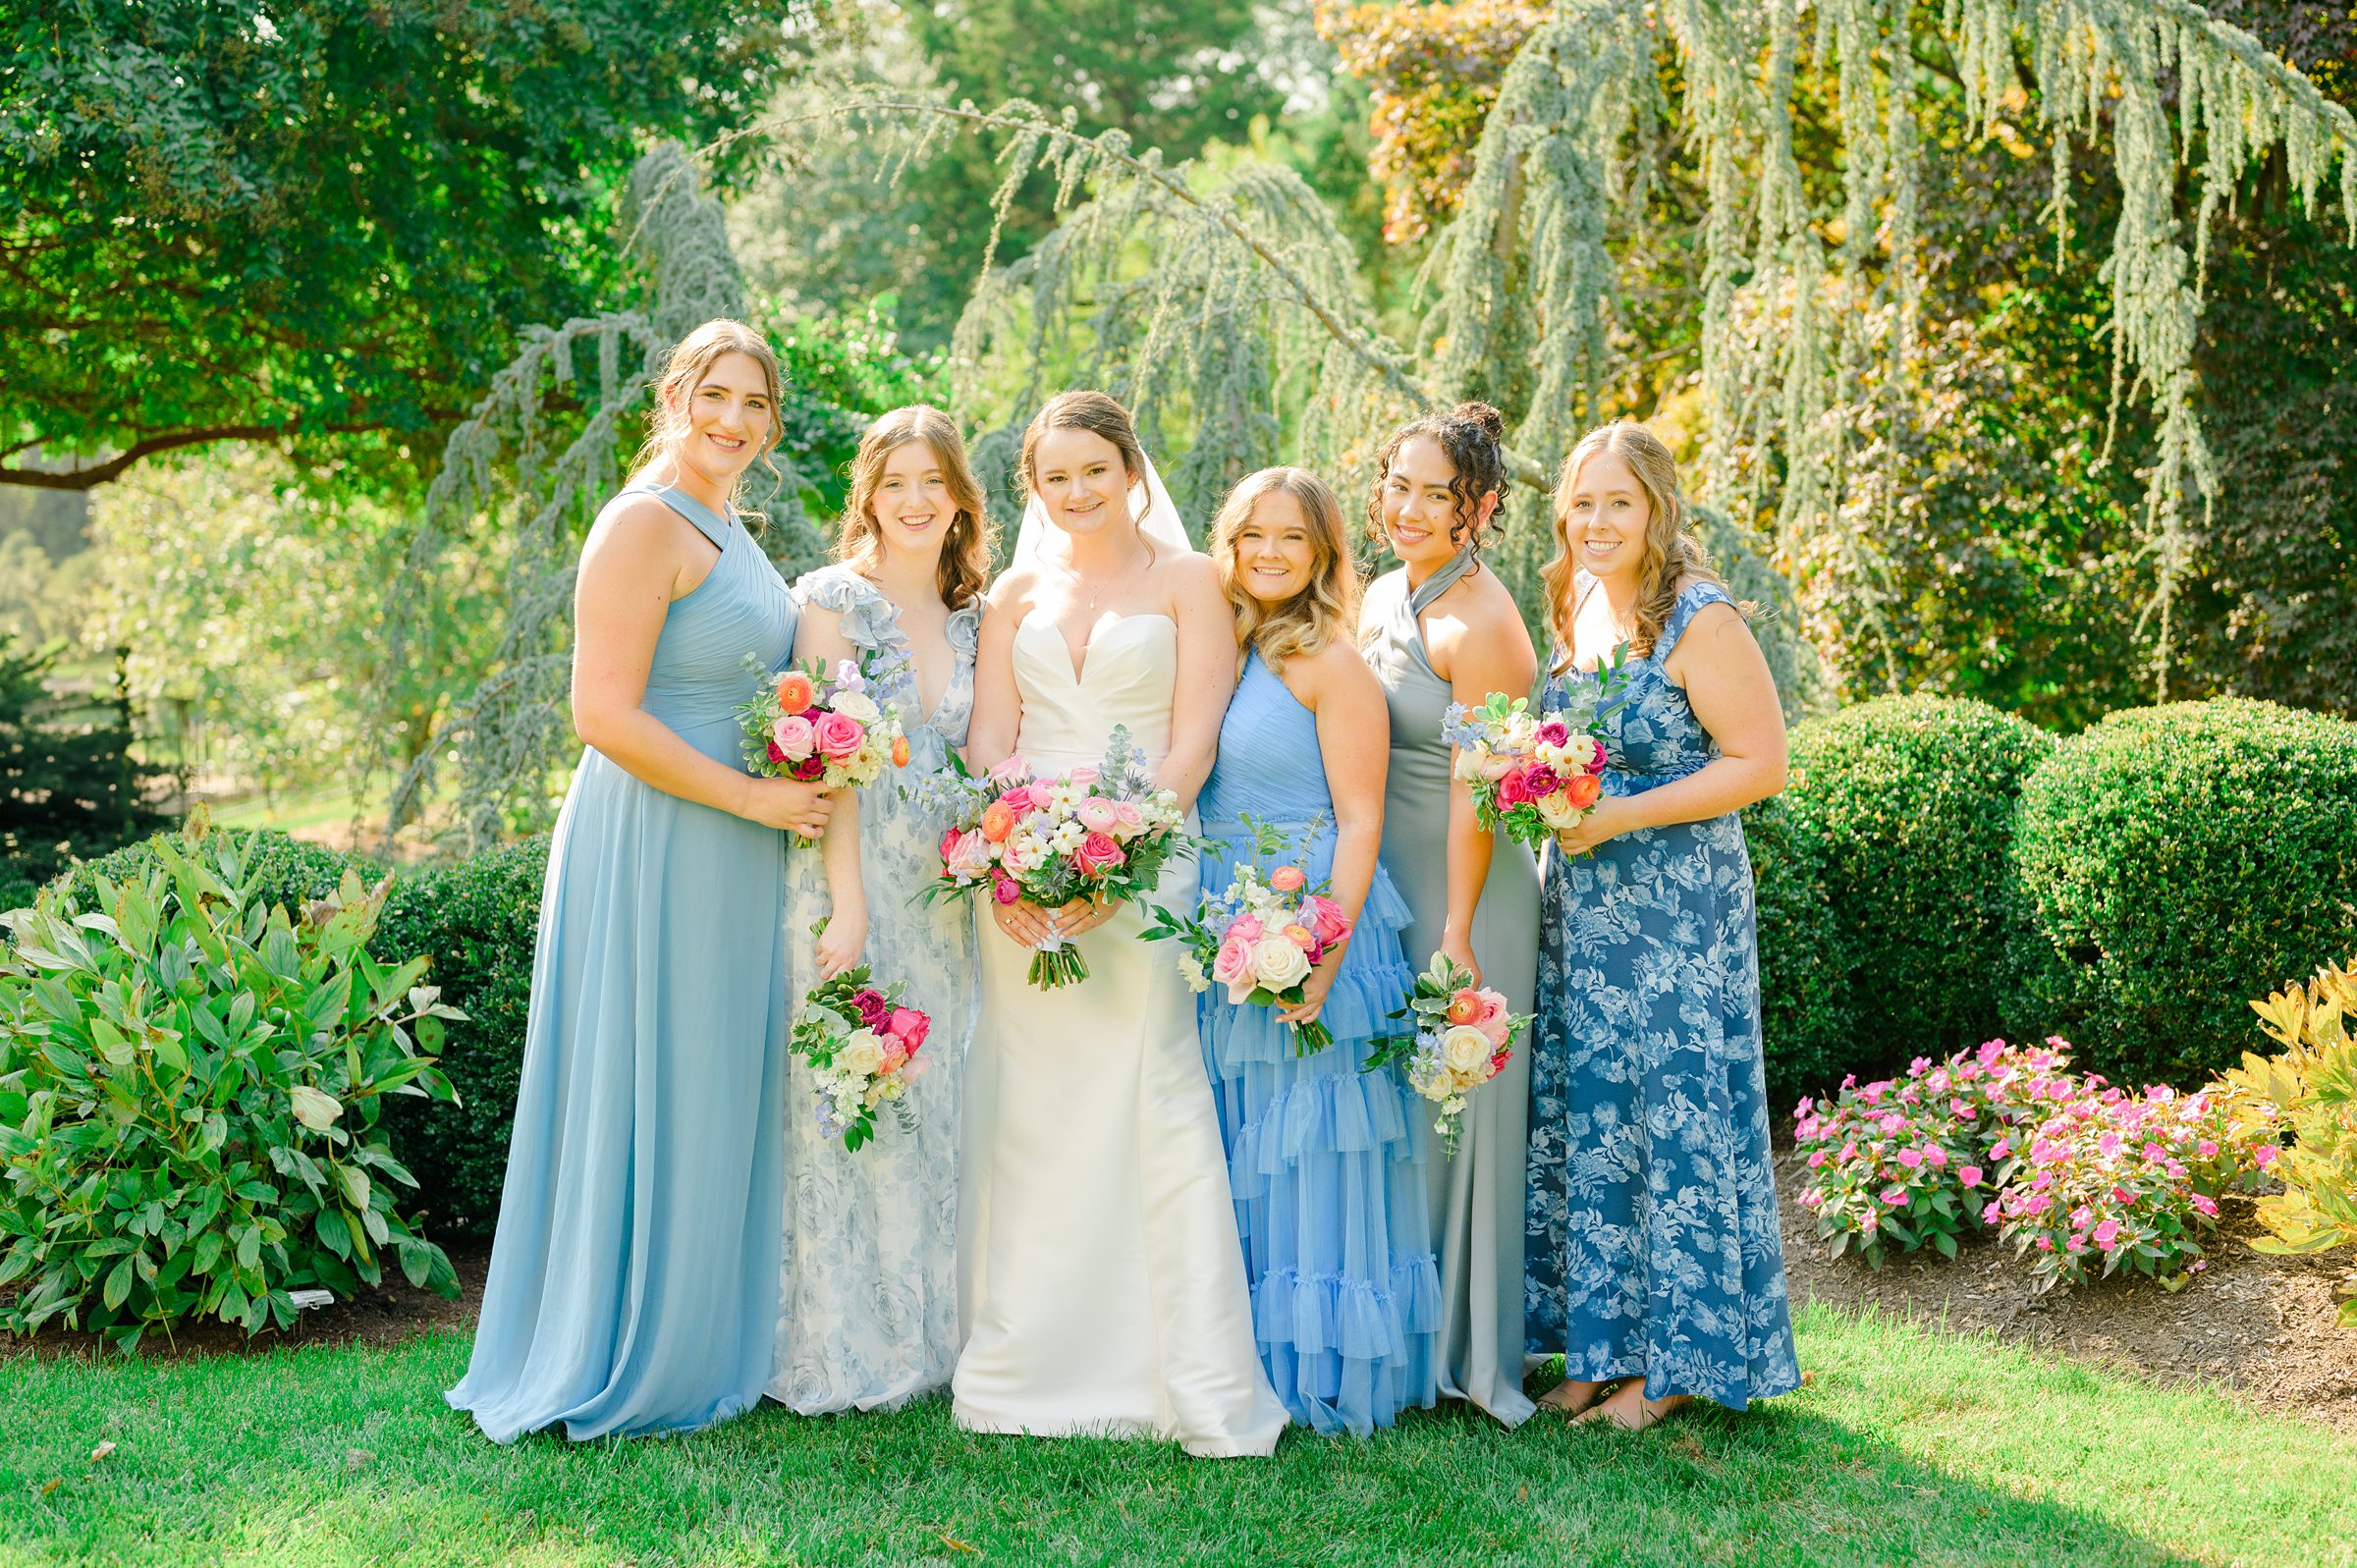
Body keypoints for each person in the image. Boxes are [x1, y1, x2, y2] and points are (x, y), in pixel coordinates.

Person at [448, 319, 835, 1442]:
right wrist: (758, 798)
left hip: (727, 837)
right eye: (716, 395)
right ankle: (621, 1349)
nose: (736, 421)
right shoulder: (640, 523)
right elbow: (600, 713)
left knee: (707, 1075)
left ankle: (699, 1335)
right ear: (674, 395)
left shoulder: (729, 521)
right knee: (646, 1069)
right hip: (660, 831)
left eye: (757, 405)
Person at [953, 391, 1288, 1457]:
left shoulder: (1190, 581)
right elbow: (991, 741)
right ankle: (1024, 1360)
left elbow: (1195, 741)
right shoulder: (1012, 592)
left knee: (1147, 1088)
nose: (1077, 490)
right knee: (1032, 1105)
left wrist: (1125, 849)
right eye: (1056, 476)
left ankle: (1171, 1372)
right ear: (1033, 489)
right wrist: (1013, 865)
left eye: (1095, 468)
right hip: (1023, 877)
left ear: (1132, 468)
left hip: (1150, 863)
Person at [1522, 420, 1799, 1430]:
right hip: (1587, 904)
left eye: (1617, 503)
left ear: (1657, 509)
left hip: (1678, 905)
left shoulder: (1700, 615)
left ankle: (1676, 1362)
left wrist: (1620, 815)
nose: (1595, 521)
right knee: (1600, 1117)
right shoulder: (1582, 598)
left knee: (1671, 1116)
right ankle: (1601, 1350)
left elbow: (1760, 763)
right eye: (1581, 503)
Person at [1195, 466, 1438, 1435]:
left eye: (1290, 538)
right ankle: (1234, 1354)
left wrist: (1323, 950)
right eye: (1251, 533)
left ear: (1324, 555)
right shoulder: (1224, 646)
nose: (1266, 552)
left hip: (1312, 915)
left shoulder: (1331, 664)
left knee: (1310, 1148)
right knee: (1241, 1144)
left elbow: (1362, 817)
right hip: (1223, 920)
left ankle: (1319, 1370)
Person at [767, 406, 991, 1414]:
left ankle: (939, 1330)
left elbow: (988, 758)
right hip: (848, 877)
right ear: (868, 493)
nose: (913, 501)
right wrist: (846, 904)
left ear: (957, 499)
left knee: (935, 1094)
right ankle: (844, 1338)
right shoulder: (831, 601)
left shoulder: (981, 615)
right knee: (847, 1092)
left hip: (948, 891)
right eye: (894, 482)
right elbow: (833, 757)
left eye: (931, 483)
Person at [1357, 404, 1542, 1428]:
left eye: (1438, 492)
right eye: (1399, 483)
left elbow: (1484, 789)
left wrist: (1459, 932)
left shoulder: (1484, 624)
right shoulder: (1384, 590)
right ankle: (1397, 1330)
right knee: (1403, 1113)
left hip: (1469, 891)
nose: (1411, 507)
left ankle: (1463, 1352)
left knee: (1459, 1116)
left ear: (1480, 508)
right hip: (1395, 875)